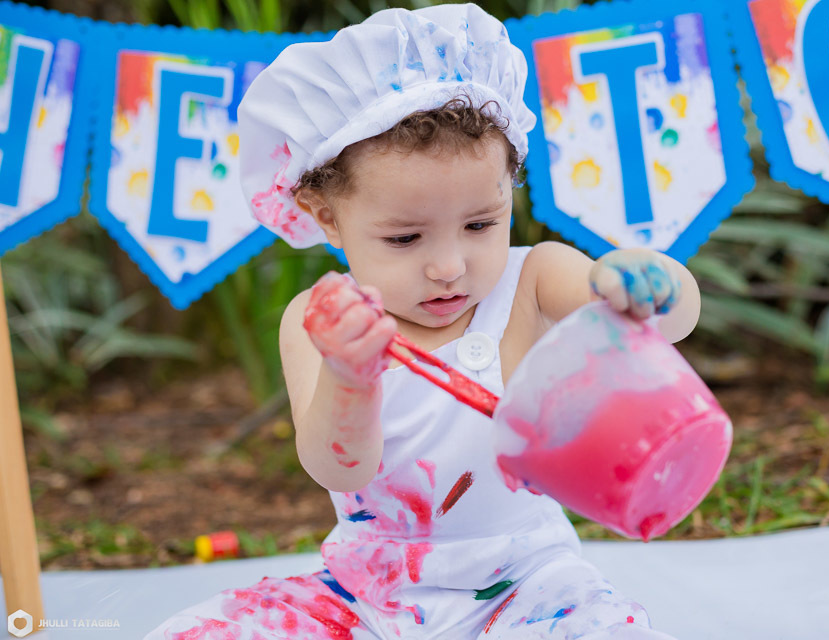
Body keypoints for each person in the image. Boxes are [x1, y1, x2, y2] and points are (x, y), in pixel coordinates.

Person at [145, 4, 699, 639]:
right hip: (366, 591)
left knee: (607, 629)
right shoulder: (319, 320)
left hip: (526, 582)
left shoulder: (534, 280)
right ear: (325, 216)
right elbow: (339, 470)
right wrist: (349, 375)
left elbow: (673, 321)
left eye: (481, 225)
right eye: (406, 238)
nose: (448, 267)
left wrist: (644, 282)